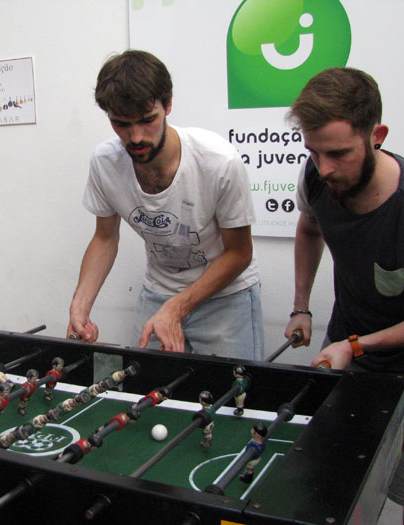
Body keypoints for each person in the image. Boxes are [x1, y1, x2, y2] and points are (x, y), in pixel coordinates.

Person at [284, 67, 404, 525]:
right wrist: (301, 307)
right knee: (332, 476)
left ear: (377, 136)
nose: (324, 168)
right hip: (345, 348)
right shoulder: (318, 176)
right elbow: (309, 228)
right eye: (313, 152)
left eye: (338, 153)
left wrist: (356, 346)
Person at [67, 50, 263, 357]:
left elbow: (239, 253)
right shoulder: (105, 163)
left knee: (230, 388)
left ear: (168, 104)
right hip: (158, 293)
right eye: (121, 124)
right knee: (145, 383)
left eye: (148, 120)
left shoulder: (219, 162)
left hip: (226, 298)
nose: (135, 137)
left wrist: (177, 307)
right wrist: (79, 307)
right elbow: (104, 238)